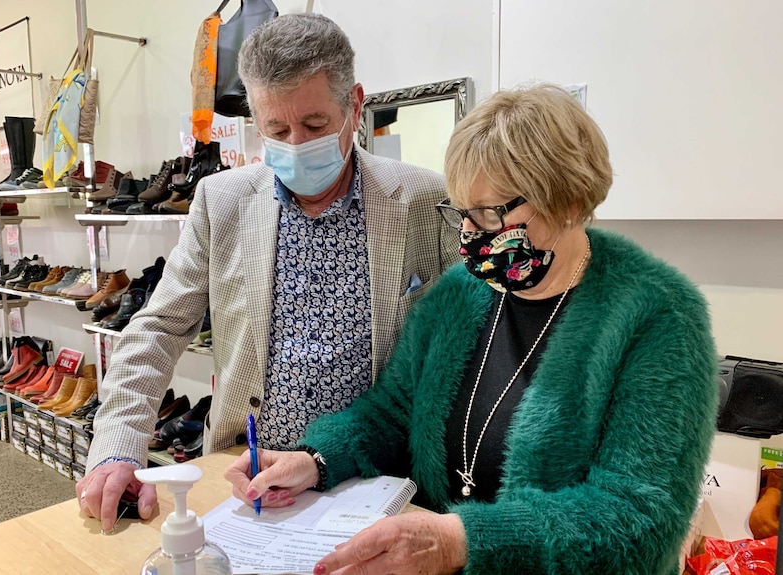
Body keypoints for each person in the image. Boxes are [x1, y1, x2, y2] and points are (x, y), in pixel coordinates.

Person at [225, 85, 719, 575]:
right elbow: (395, 412)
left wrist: (463, 540)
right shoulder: (461, 293)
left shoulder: (658, 317)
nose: (467, 234)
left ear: (565, 200)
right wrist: (315, 460)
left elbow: (638, 518)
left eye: (489, 214)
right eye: (462, 212)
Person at [77, 13, 458, 533]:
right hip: (245, 473)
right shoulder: (222, 200)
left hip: (378, 480)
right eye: (276, 129)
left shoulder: (423, 200)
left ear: (355, 104)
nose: (297, 144)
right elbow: (159, 328)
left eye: (316, 125)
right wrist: (117, 446)